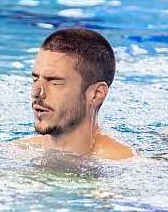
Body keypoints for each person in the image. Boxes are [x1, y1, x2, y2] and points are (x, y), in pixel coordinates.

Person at [12, 28, 138, 160]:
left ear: (96, 94)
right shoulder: (14, 154)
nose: (35, 92)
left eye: (54, 82)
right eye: (35, 79)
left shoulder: (127, 166)